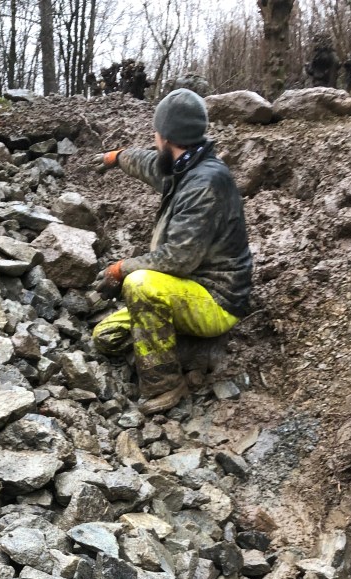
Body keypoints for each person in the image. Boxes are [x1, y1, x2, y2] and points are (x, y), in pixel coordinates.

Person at [92, 88, 253, 413]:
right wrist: (117, 156)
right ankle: (191, 350)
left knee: (140, 284)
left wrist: (120, 269)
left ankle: (165, 385)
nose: (154, 141)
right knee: (106, 336)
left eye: (156, 133)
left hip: (215, 299)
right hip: (184, 289)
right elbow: (149, 164)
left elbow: (178, 259)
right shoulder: (185, 166)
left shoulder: (203, 184)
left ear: (165, 136)